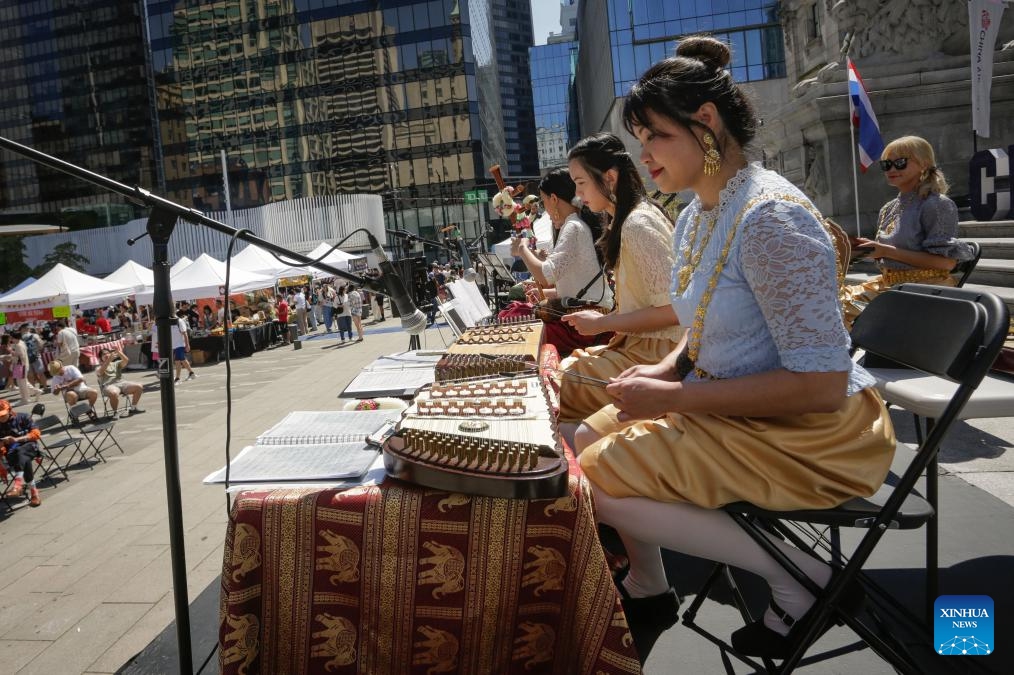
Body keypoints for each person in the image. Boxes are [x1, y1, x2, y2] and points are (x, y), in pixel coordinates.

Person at [568, 37, 896, 664]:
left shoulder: (772, 218)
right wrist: (667, 366)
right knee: (585, 438)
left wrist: (672, 395)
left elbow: (823, 383)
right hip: (733, 406)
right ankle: (649, 582)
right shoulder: (699, 214)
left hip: (810, 429)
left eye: (655, 136)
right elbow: (705, 321)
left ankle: (800, 576)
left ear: (707, 123)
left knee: (593, 484)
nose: (644, 155)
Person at [556, 132, 684, 437]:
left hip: (657, 355)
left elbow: (673, 311)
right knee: (557, 376)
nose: (577, 195)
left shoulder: (638, 224)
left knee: (553, 385)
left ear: (609, 178)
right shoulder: (628, 220)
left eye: (581, 183)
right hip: (639, 347)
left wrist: (602, 323)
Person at [842, 135, 974, 328]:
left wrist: (885, 251)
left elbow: (946, 263)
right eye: (886, 165)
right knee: (829, 304)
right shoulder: (889, 208)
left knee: (838, 313)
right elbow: (890, 253)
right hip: (889, 284)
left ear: (924, 164)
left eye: (900, 163)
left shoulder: (936, 204)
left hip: (925, 288)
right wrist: (865, 250)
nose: (892, 169)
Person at [511, 167, 614, 356]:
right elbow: (576, 283)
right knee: (516, 313)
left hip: (585, 325)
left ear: (554, 199)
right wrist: (550, 292)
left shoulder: (573, 227)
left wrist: (522, 248)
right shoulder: (575, 225)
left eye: (544, 201)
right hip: (582, 313)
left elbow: (544, 275)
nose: (545, 208)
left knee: (516, 320)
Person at [0, 400, 43, 506]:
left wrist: (17, 439)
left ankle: (18, 484)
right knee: (23, 457)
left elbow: (36, 434)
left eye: (3, 415)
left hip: (30, 447)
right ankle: (33, 492)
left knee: (21, 451)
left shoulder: (23, 417)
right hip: (11, 454)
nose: (1, 418)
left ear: (9, 410)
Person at [96, 346, 145, 417]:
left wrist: (118, 351)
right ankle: (115, 412)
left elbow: (126, 360)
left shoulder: (116, 363)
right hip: (109, 385)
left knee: (139, 387)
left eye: (108, 353)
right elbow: (100, 372)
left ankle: (133, 408)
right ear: (100, 358)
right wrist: (108, 360)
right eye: (104, 354)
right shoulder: (99, 367)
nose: (106, 355)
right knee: (113, 393)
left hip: (122, 383)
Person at [10, 332, 44, 403]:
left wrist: (13, 353)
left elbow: (21, 356)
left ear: (15, 338)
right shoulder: (21, 343)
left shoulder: (19, 345)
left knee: (22, 383)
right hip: (21, 365)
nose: (11, 339)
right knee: (23, 382)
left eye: (12, 338)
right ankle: (35, 392)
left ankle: (26, 398)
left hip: (20, 365)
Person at [171, 309, 197, 383]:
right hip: (174, 345)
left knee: (177, 360)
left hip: (180, 344)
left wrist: (187, 344)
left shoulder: (179, 321)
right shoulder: (170, 322)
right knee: (182, 359)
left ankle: (177, 378)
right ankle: (191, 373)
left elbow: (185, 333)